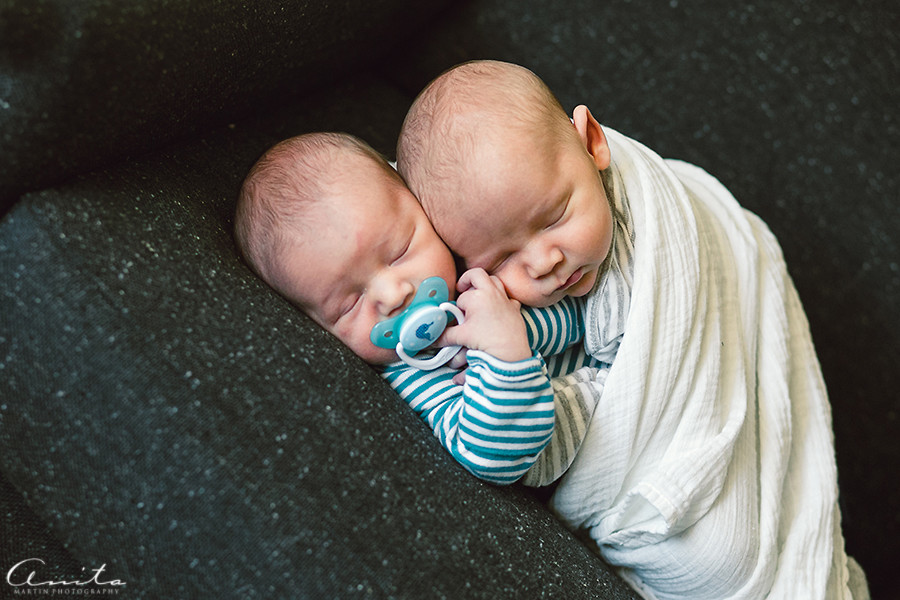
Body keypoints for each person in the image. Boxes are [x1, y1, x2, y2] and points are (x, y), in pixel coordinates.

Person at [396, 60, 869, 599]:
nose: (546, 261)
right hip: (644, 456)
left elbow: (726, 264)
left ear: (592, 142)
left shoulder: (651, 215)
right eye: (502, 258)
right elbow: (536, 431)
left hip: (716, 406)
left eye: (554, 217)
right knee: (713, 558)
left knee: (725, 553)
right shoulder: (509, 311)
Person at [234, 131, 607, 488]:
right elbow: (492, 457)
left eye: (399, 251)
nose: (392, 295)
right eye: (349, 304)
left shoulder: (479, 258)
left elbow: (585, 310)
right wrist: (504, 354)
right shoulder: (414, 376)